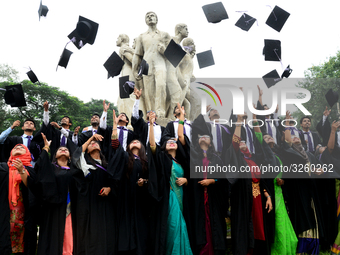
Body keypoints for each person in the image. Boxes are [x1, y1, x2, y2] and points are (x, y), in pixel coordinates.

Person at [28, 133, 86, 255]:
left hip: (71, 209)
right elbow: (40, 170)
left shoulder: (76, 171)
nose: (63, 150)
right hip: (53, 208)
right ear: (55, 155)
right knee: (53, 236)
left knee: (70, 236)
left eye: (66, 149)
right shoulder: (50, 168)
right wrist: (46, 148)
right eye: (60, 149)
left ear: (70, 156)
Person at [148, 104, 193, 255]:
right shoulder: (162, 158)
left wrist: (186, 180)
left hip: (183, 197)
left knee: (183, 225)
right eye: (167, 142)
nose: (171, 143)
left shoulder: (182, 161)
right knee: (173, 225)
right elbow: (153, 145)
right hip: (170, 196)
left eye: (173, 142)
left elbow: (180, 137)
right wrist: (151, 124)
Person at [228, 112, 274, 255]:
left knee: (259, 227)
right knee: (245, 226)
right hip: (243, 197)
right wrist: (239, 122)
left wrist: (268, 196)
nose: (242, 143)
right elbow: (234, 143)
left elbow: (261, 182)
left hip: (259, 198)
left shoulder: (254, 159)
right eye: (240, 142)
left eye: (244, 142)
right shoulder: (237, 159)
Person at [108, 109, 151, 254]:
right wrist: (114, 126)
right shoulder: (124, 156)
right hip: (126, 195)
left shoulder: (146, 161)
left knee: (141, 226)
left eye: (137, 141)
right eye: (132, 141)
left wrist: (145, 182)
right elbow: (115, 144)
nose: (134, 142)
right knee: (126, 225)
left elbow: (152, 179)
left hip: (141, 199)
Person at [283, 111, 325, 255]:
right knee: (301, 218)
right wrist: (287, 124)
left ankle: (313, 248)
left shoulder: (310, 155)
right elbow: (287, 142)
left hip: (311, 192)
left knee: (312, 217)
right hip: (297, 192)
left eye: (297, 137)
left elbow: (320, 168)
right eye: (293, 137)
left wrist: (321, 170)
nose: (295, 138)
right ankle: (301, 249)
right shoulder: (288, 153)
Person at [189, 114, 228, 255]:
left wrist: (213, 180)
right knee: (200, 226)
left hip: (214, 198)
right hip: (198, 197)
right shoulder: (193, 158)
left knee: (214, 226)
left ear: (211, 142)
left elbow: (223, 178)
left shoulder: (217, 159)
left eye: (206, 136)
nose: (203, 137)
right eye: (200, 136)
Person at [73, 133, 117, 255]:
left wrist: (110, 188)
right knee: (92, 232)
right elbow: (77, 153)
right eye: (91, 144)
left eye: (96, 143)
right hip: (90, 202)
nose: (93, 144)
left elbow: (116, 181)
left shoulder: (108, 165)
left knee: (107, 231)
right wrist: (91, 138)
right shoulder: (84, 164)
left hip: (107, 204)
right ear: (87, 150)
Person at [260, 128, 298, 254]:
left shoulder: (279, 155)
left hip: (280, 193)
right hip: (269, 193)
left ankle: (285, 248)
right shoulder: (262, 157)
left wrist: (283, 181)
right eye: (265, 138)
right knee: (274, 224)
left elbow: (285, 174)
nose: (269, 137)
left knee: (282, 223)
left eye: (270, 136)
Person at [0, 144, 37, 255]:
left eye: (22, 148)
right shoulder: (2, 167)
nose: (18, 148)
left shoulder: (31, 169)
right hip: (4, 210)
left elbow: (32, 188)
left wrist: (21, 170)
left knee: (23, 245)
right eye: (15, 147)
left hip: (23, 212)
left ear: (27, 153)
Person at [132, 11, 170, 118]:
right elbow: (137, 54)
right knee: (148, 90)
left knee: (161, 85)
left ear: (156, 19)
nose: (150, 18)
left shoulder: (164, 35)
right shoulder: (141, 36)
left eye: (152, 16)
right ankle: (150, 112)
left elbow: (173, 54)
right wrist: (135, 70)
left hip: (160, 63)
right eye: (147, 17)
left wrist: (164, 50)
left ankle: (160, 111)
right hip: (146, 64)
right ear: (145, 21)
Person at [116, 33, 137, 128]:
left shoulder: (124, 48)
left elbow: (133, 60)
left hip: (128, 73)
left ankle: (129, 122)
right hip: (125, 73)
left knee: (128, 97)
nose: (116, 40)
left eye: (118, 38)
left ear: (122, 40)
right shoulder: (124, 48)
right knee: (124, 97)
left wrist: (131, 51)